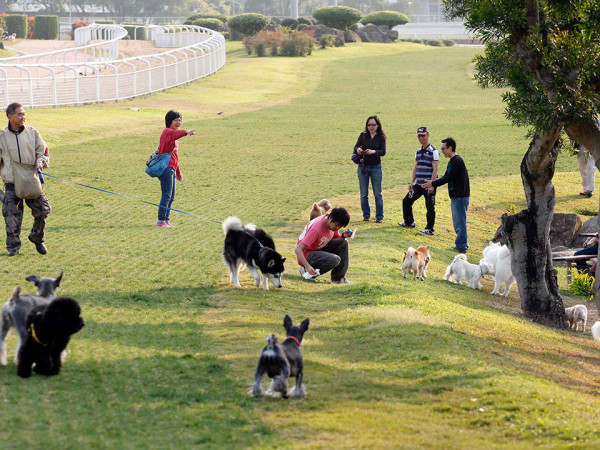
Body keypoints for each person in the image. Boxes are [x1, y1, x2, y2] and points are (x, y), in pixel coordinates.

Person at [0, 103, 50, 256]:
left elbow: (43, 152)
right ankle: (13, 249)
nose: (23, 117)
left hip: (31, 181)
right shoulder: (1, 137)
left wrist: (41, 162)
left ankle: (37, 237)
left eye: (24, 114)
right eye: (19, 114)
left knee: (43, 209)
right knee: (11, 216)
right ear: (10, 117)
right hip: (11, 184)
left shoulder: (32, 132)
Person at [422, 137, 470, 253]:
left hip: (460, 197)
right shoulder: (452, 162)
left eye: (443, 148)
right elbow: (445, 176)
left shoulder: (457, 161)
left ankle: (461, 247)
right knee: (458, 221)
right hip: (457, 197)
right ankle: (460, 245)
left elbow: (448, 178)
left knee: (460, 222)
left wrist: (432, 183)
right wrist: (433, 185)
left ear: (450, 148)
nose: (442, 151)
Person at [156, 110, 195, 227]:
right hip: (166, 169)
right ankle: (161, 221)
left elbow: (175, 157)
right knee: (166, 195)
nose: (178, 122)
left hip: (172, 168)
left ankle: (166, 220)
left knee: (171, 196)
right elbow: (175, 134)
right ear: (169, 121)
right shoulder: (167, 132)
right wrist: (187, 132)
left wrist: (178, 172)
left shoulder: (173, 135)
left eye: (180, 120)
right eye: (176, 120)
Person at [398, 126, 439, 235]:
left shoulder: (433, 151)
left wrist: (432, 184)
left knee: (430, 206)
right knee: (406, 201)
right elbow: (416, 167)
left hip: (428, 184)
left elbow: (435, 169)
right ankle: (409, 222)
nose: (421, 138)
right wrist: (412, 182)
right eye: (419, 136)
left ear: (428, 135)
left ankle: (429, 229)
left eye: (423, 135)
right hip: (418, 185)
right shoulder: (418, 151)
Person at [295, 207, 352, 283]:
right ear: (330, 218)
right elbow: (298, 249)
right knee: (334, 259)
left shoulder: (331, 224)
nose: (337, 228)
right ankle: (307, 272)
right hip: (307, 254)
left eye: (340, 226)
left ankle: (338, 278)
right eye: (337, 225)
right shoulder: (316, 229)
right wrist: (307, 266)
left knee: (343, 242)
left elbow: (333, 239)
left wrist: (343, 236)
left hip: (319, 249)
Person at [353, 115, 386, 223]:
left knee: (377, 193)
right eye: (369, 125)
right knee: (363, 193)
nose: (371, 127)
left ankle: (379, 216)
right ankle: (366, 215)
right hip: (363, 167)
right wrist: (358, 150)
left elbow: (383, 151)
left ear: (378, 125)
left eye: (373, 125)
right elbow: (356, 147)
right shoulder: (363, 135)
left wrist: (373, 152)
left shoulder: (381, 137)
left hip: (376, 167)